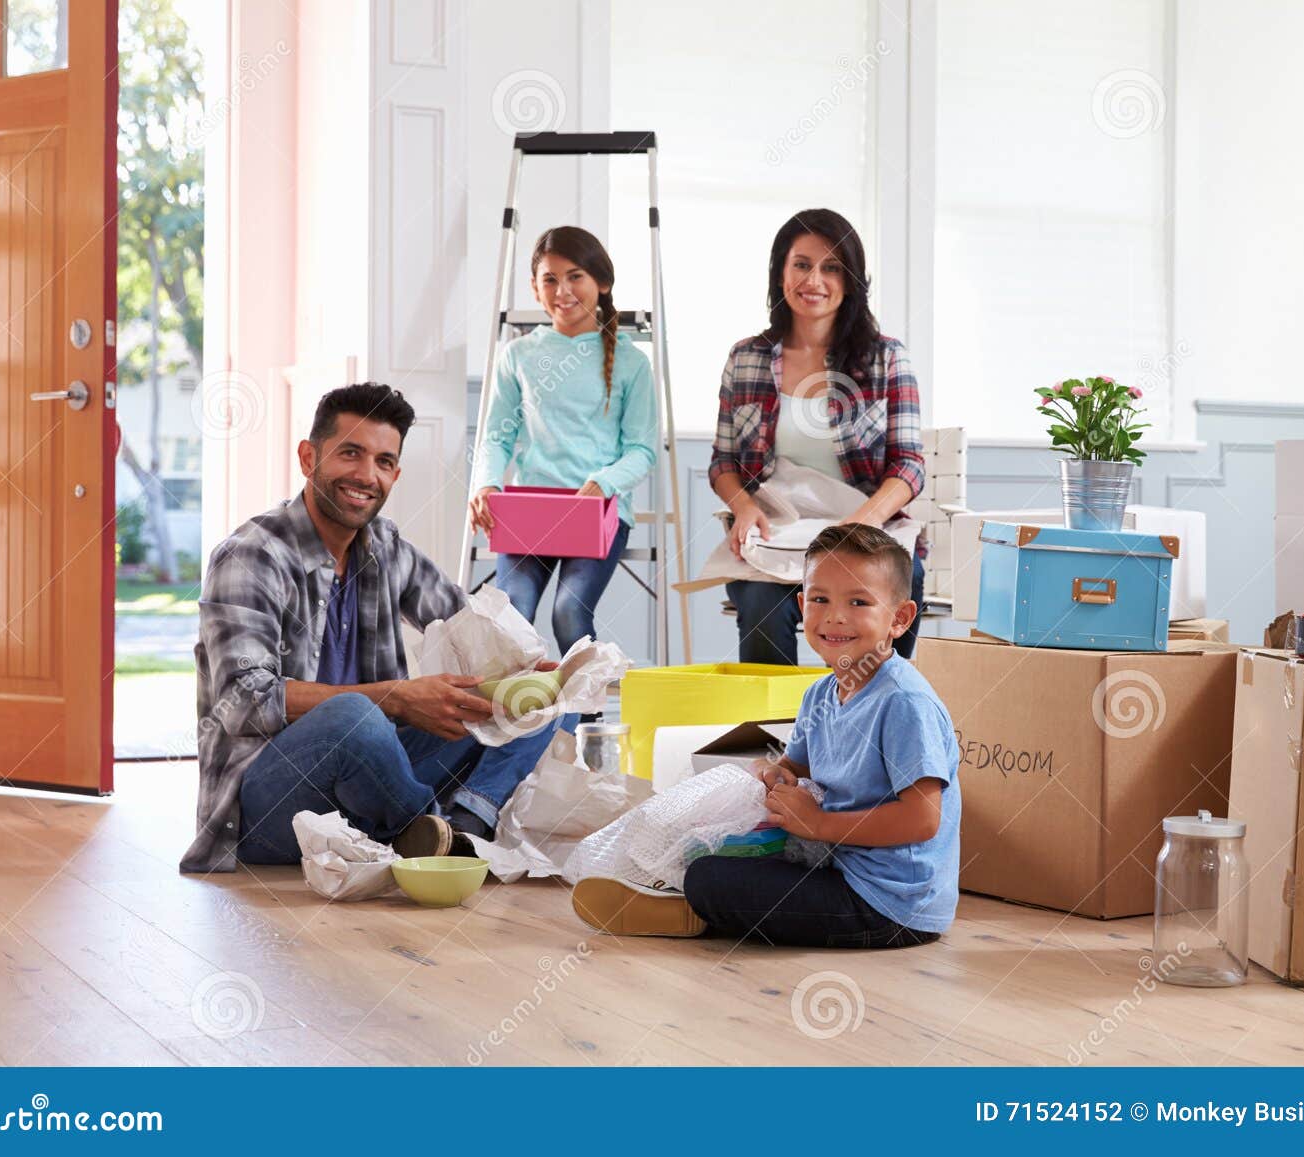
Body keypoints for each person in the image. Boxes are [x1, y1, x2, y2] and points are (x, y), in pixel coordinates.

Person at [180, 382, 565, 874]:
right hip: (265, 808)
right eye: (350, 454)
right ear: (308, 457)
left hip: (368, 786)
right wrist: (396, 698)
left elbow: (466, 622)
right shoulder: (251, 556)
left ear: (395, 474)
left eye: (384, 462)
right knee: (354, 717)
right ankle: (430, 832)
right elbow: (244, 702)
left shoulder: (384, 546)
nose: (367, 475)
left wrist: (530, 674)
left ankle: (462, 830)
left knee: (547, 704)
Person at [570, 523, 961, 948]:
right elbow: (796, 767)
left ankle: (692, 906)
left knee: (710, 878)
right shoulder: (821, 694)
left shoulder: (903, 702)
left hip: (889, 905)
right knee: (709, 848)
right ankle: (681, 894)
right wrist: (771, 773)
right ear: (801, 605)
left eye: (859, 602)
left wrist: (819, 823)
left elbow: (923, 819)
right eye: (820, 599)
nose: (835, 616)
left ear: (899, 619)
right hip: (835, 863)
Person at [708, 208, 929, 665]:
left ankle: (875, 711)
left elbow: (908, 464)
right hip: (776, 533)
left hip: (865, 531)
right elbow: (724, 463)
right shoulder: (746, 357)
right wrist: (744, 508)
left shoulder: (886, 358)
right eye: (802, 264)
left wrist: (864, 521)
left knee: (909, 579)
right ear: (780, 272)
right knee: (757, 602)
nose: (815, 280)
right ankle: (774, 731)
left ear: (851, 280)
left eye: (832, 267)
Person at [469, 226, 658, 655]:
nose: (562, 290)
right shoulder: (517, 356)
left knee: (568, 613)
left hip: (597, 512)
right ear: (535, 289)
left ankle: (586, 719)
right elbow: (497, 438)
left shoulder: (631, 362)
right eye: (549, 279)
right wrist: (485, 484)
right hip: (530, 512)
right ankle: (520, 719)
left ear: (602, 283)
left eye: (575, 277)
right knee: (512, 613)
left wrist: (603, 483)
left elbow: (642, 451)